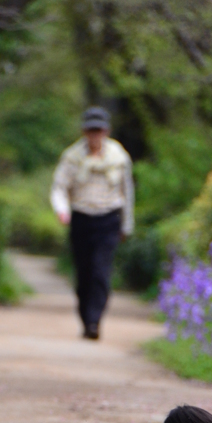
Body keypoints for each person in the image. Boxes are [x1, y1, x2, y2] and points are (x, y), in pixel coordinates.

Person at [50, 106, 134, 339]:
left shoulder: (119, 157)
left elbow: (127, 192)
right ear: (84, 131)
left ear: (106, 131)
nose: (95, 134)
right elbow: (59, 187)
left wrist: (127, 225)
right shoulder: (72, 157)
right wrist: (62, 210)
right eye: (91, 130)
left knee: (100, 271)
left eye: (99, 130)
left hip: (109, 218)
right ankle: (86, 318)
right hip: (81, 218)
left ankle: (95, 321)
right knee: (84, 272)